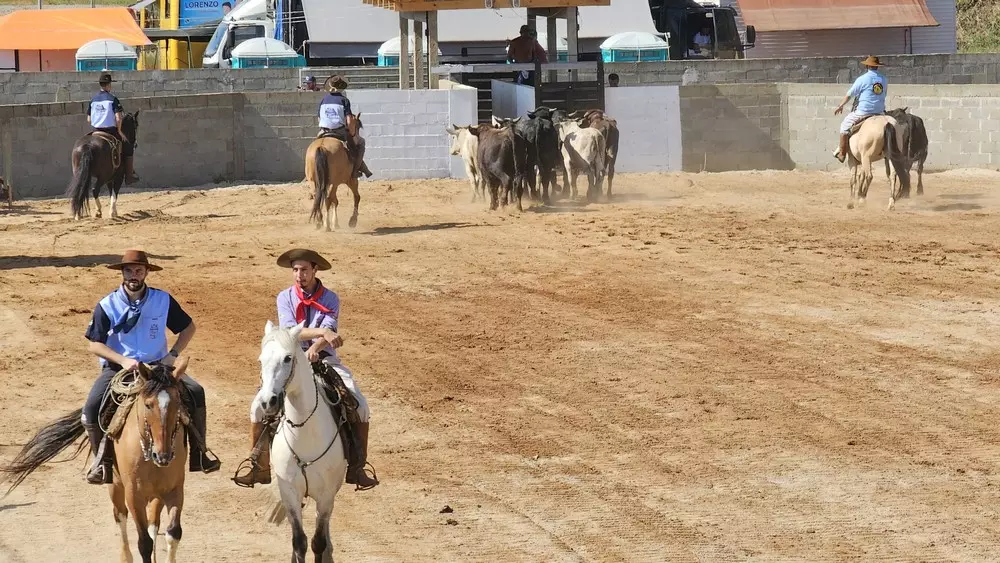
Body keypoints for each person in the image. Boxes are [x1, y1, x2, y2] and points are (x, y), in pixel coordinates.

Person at [232, 249, 379, 490]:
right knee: (258, 407)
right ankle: (258, 467)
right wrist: (322, 333)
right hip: (291, 362)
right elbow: (292, 331)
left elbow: (330, 329)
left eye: (304, 270)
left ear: (315, 271)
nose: (299, 275)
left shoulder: (330, 298)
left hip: (325, 360)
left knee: (360, 406)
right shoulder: (285, 297)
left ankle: (357, 467)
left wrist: (319, 345)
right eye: (295, 270)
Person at [82, 250, 221, 484]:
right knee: (90, 409)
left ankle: (200, 454)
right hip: (120, 368)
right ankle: (101, 464)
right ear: (122, 273)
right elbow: (94, 345)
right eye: (129, 270)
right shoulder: (107, 305)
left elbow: (189, 328)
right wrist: (123, 360)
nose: (133, 275)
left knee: (196, 392)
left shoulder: (162, 300)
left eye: (138, 270)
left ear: (147, 272)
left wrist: (172, 355)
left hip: (158, 368)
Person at [833, 55, 888, 163]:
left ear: (867, 66)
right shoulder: (884, 79)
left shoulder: (862, 79)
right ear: (877, 66)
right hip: (880, 112)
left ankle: (842, 153)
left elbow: (849, 94)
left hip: (863, 112)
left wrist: (840, 105)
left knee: (844, 125)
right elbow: (884, 95)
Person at [317, 75, 372, 178]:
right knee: (360, 144)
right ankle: (355, 171)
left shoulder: (323, 100)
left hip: (323, 131)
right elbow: (349, 120)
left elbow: (319, 119)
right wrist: (352, 132)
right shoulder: (344, 100)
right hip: (338, 131)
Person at [88, 72, 139, 185]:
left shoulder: (93, 100)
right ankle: (129, 176)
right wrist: (119, 131)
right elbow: (119, 118)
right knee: (128, 147)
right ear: (108, 85)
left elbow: (88, 119)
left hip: (96, 131)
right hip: (110, 131)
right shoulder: (113, 99)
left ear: (101, 85)